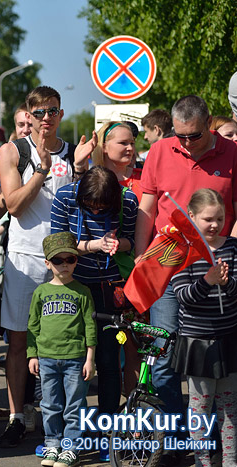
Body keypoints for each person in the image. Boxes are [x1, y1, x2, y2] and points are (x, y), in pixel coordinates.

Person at [134, 95, 237, 466]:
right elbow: (147, 208)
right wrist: (139, 258)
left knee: (214, 359)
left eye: (193, 136)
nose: (185, 144)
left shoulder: (232, 153)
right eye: (179, 136)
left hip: (216, 272)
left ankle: (213, 445)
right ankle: (174, 443)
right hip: (168, 266)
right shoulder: (162, 150)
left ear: (209, 123)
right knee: (164, 358)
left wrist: (232, 253)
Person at [0, 85, 96, 448]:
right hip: (25, 257)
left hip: (65, 260)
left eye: (53, 111)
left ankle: (59, 418)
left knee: (65, 342)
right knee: (21, 339)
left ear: (61, 114)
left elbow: (88, 207)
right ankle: (15, 416)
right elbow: (14, 206)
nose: (46, 118)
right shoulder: (12, 151)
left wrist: (82, 168)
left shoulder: (75, 153)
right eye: (39, 112)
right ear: (30, 115)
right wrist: (40, 169)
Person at [50, 166, 138, 460]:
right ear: (81, 196)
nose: (97, 211)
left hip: (111, 288)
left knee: (110, 360)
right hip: (72, 286)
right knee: (71, 362)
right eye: (91, 206)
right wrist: (95, 245)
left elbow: (134, 240)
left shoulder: (128, 201)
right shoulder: (64, 196)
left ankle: (108, 432)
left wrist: (118, 243)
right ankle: (66, 435)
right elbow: (57, 244)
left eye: (103, 207)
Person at [171, 189, 237, 467]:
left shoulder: (233, 248)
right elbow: (183, 296)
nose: (214, 225)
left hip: (229, 338)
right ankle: (202, 462)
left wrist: (226, 284)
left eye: (220, 219)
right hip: (197, 341)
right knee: (200, 407)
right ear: (192, 216)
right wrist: (208, 281)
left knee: (230, 408)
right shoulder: (181, 248)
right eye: (208, 219)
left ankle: (231, 461)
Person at [28, 232, 96, 467]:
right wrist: (32, 354)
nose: (64, 264)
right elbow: (32, 326)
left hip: (75, 358)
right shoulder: (40, 292)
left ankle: (71, 448)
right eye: (58, 260)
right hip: (46, 358)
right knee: (50, 404)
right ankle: (52, 444)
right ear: (47, 263)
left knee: (75, 405)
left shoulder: (82, 291)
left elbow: (90, 326)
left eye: (70, 259)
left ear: (76, 261)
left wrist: (90, 358)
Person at [90, 122, 144, 397]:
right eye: (123, 142)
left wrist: (122, 244)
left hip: (137, 275)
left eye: (132, 142)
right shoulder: (92, 181)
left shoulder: (144, 179)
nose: (130, 147)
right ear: (104, 146)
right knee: (104, 352)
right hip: (100, 278)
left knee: (135, 346)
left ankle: (133, 413)